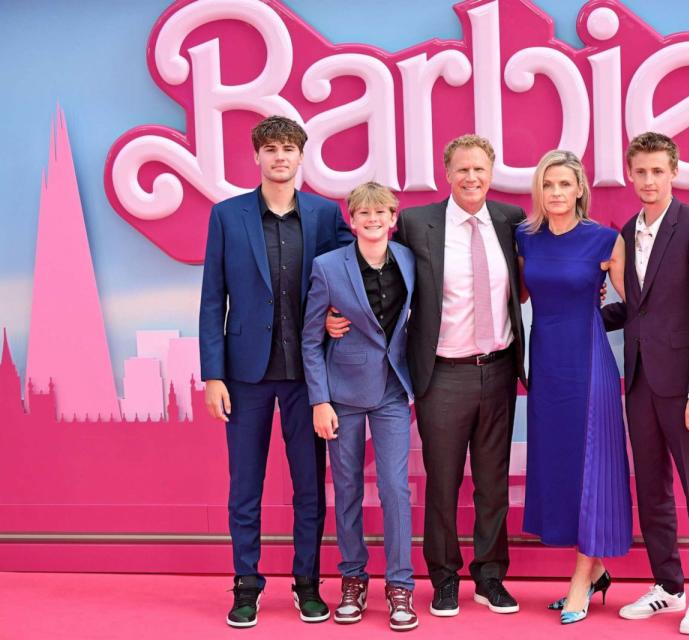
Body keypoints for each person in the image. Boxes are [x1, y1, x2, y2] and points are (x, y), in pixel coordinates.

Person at [327, 134, 526, 617]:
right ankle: (443, 579)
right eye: (462, 169)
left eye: (479, 168)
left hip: (499, 368)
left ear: (491, 170)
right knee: (441, 481)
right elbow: (369, 256)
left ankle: (490, 576)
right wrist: (337, 306)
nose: (471, 177)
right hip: (442, 373)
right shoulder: (418, 223)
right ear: (447, 173)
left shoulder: (511, 221)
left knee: (493, 481)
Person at [199, 115, 353, 628]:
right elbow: (211, 300)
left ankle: (307, 585)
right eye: (271, 149)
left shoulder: (324, 215)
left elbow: (343, 284)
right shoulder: (227, 216)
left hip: (308, 377)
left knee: (310, 487)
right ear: (257, 157)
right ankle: (246, 585)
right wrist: (212, 375)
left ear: (301, 156)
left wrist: (337, 317)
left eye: (289, 148)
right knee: (245, 485)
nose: (280, 156)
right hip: (243, 376)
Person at [602, 132, 689, 635]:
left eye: (658, 171)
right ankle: (669, 586)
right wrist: (580, 315)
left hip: (686, 387)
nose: (649, 181)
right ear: (630, 175)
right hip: (639, 381)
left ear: (674, 171)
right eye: (641, 172)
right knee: (652, 488)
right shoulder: (629, 230)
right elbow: (638, 309)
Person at [516, 150, 632, 625]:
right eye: (549, 185)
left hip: (588, 364)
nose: (557, 193)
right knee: (561, 465)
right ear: (539, 192)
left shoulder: (605, 240)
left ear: (580, 188)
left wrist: (595, 319)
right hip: (545, 365)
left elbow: (637, 304)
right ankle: (598, 567)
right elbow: (514, 295)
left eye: (565, 184)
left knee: (592, 464)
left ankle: (581, 579)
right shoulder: (526, 239)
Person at [301, 182, 419, 632]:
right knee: (347, 490)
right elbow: (312, 340)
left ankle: (400, 585)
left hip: (392, 388)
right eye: (363, 213)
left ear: (393, 218)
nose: (372, 220)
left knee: (394, 488)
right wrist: (320, 401)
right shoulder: (328, 267)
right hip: (343, 393)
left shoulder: (408, 259)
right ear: (352, 220)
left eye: (381, 213)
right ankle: (352, 578)